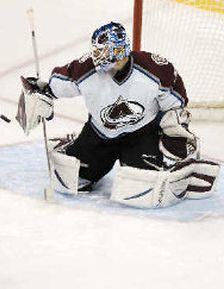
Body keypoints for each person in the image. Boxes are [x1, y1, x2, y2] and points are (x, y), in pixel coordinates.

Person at [16, 22, 220, 208]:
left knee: (142, 185)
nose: (98, 57)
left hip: (142, 135)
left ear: (121, 51)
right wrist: (41, 92)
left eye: (104, 52)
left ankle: (174, 165)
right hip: (99, 135)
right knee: (73, 180)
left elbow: (176, 105)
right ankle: (70, 145)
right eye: (97, 51)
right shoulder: (86, 70)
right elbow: (55, 85)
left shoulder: (154, 70)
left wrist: (174, 127)